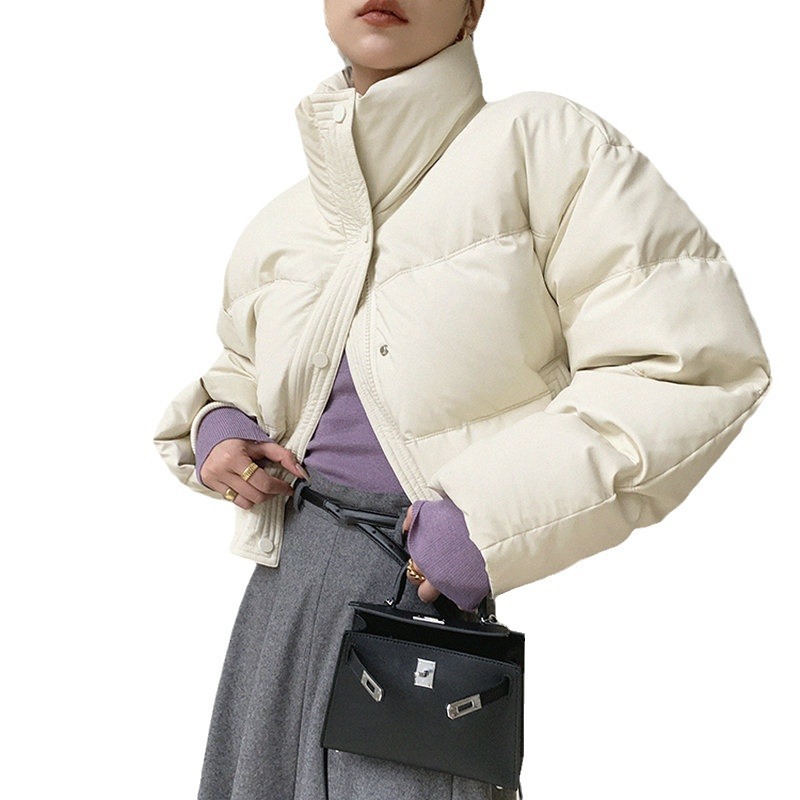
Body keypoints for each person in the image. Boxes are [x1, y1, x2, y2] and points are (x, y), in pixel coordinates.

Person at [152, 1, 770, 798]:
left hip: (421, 598)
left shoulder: (543, 146)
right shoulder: (286, 223)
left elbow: (690, 364)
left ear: (474, 7)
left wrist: (483, 519)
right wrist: (219, 425)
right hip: (283, 591)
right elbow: (245, 364)